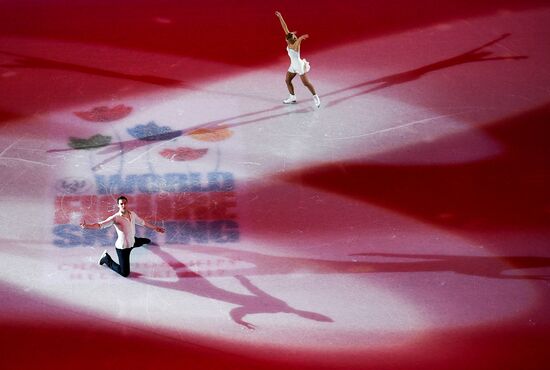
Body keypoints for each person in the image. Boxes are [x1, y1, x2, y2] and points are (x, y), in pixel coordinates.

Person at [80, 195, 165, 277]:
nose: (123, 205)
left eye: (125, 203)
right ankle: (106, 259)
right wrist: (86, 226)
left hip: (133, 241)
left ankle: (144, 241)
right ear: (118, 205)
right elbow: (100, 225)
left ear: (127, 203)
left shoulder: (132, 214)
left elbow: (143, 222)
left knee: (143, 241)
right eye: (121, 204)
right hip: (123, 248)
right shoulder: (115, 218)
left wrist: (155, 228)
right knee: (124, 273)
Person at [275, 11, 321, 108]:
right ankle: (292, 97)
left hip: (299, 66)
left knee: (306, 83)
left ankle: (316, 97)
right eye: (294, 36)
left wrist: (300, 38)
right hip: (293, 66)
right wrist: (280, 17)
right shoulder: (289, 40)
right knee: (287, 80)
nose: (295, 36)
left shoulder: (296, 45)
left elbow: (298, 40)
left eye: (294, 37)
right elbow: (285, 27)